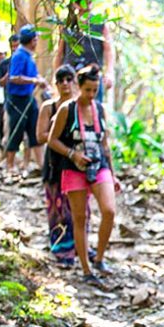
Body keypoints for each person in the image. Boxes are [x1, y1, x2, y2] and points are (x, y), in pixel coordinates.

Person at [47, 65, 120, 288]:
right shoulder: (67, 110)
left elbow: (104, 143)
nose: (90, 95)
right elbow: (52, 139)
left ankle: (99, 258)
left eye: (94, 90)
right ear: (79, 87)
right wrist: (73, 154)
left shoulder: (100, 109)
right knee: (80, 219)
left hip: (99, 166)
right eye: (87, 90)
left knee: (109, 211)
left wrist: (114, 174)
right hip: (73, 168)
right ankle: (86, 269)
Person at [37, 64, 92, 266]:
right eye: (61, 80)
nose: (66, 84)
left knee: (80, 210)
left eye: (69, 79)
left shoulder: (84, 107)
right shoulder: (49, 107)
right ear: (56, 84)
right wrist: (57, 129)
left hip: (79, 165)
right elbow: (41, 135)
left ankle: (82, 248)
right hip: (55, 164)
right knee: (57, 209)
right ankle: (62, 248)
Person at [54, 0, 116, 102]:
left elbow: (108, 50)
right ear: (76, 5)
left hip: (92, 76)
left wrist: (109, 72)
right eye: (84, 2)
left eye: (88, 2)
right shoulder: (68, 26)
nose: (87, 5)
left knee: (94, 108)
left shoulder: (99, 24)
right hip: (71, 77)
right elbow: (60, 53)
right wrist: (56, 76)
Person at [5, 25, 47, 174]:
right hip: (17, 99)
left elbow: (35, 75)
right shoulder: (19, 56)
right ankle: (10, 165)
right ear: (30, 40)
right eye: (35, 39)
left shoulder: (29, 56)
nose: (37, 42)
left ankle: (42, 165)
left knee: (34, 129)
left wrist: (41, 81)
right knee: (16, 130)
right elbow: (14, 77)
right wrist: (34, 81)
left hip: (29, 98)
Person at [0, 34, 33, 171]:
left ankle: (26, 164)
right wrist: (9, 75)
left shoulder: (28, 61)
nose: (15, 48)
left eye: (18, 45)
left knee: (27, 136)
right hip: (10, 103)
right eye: (13, 46)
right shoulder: (5, 63)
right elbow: (0, 83)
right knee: (9, 133)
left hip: (26, 103)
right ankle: (8, 164)